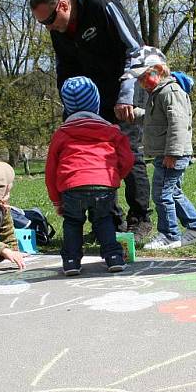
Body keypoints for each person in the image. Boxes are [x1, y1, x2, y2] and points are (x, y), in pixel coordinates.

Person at [29, 0, 153, 239]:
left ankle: (139, 218)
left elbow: (135, 49)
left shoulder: (100, 2)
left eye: (49, 20)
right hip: (91, 97)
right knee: (96, 155)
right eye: (43, 24)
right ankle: (109, 221)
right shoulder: (58, 28)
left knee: (127, 153)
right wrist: (72, 108)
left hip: (124, 86)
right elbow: (65, 68)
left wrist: (126, 96)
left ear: (63, 4)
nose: (49, 27)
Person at [45, 76, 134, 276]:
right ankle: (113, 257)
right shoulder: (111, 131)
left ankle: (71, 261)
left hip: (72, 185)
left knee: (73, 222)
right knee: (103, 220)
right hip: (104, 185)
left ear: (67, 107)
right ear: (96, 103)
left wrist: (56, 200)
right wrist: (115, 176)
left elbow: (51, 169)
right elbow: (127, 159)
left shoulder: (62, 133)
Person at [123, 47, 196, 250]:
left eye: (145, 77)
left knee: (162, 194)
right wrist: (136, 114)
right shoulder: (158, 93)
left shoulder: (171, 92)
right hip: (168, 154)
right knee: (173, 193)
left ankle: (170, 235)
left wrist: (173, 153)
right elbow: (156, 120)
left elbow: (178, 125)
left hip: (172, 154)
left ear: (160, 70)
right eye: (139, 79)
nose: (141, 83)